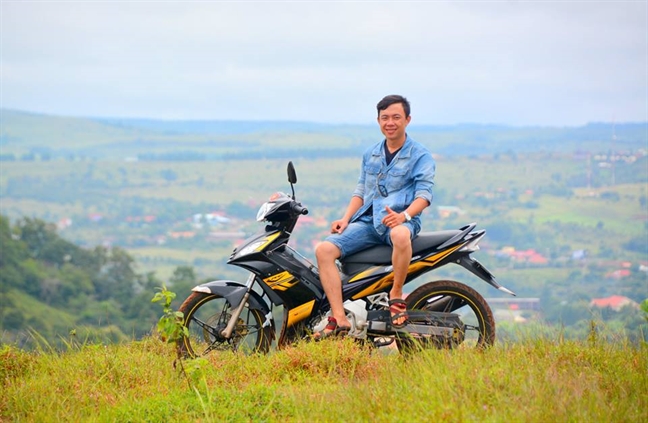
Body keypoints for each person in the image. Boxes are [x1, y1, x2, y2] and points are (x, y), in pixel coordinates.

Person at [314, 94, 436, 339]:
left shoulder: (420, 155)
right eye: (385, 118)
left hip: (401, 221)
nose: (390, 122)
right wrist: (346, 218)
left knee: (401, 235)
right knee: (323, 251)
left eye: (396, 117)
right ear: (378, 121)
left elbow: (424, 195)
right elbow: (361, 190)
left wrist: (404, 216)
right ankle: (338, 317)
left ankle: (396, 295)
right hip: (369, 222)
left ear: (407, 120)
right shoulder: (371, 154)